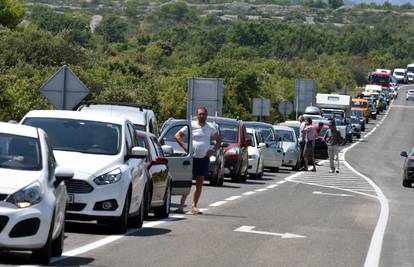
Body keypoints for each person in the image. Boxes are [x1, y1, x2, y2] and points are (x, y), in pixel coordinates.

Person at [174, 107, 221, 214]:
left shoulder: (210, 127)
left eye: (203, 114)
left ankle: (194, 206)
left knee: (199, 183)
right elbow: (177, 136)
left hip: (203, 158)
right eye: (200, 114)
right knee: (187, 182)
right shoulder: (191, 125)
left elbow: (218, 141)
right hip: (191, 158)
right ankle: (181, 206)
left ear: (206, 115)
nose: (201, 116)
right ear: (196, 115)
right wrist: (184, 145)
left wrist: (212, 150)